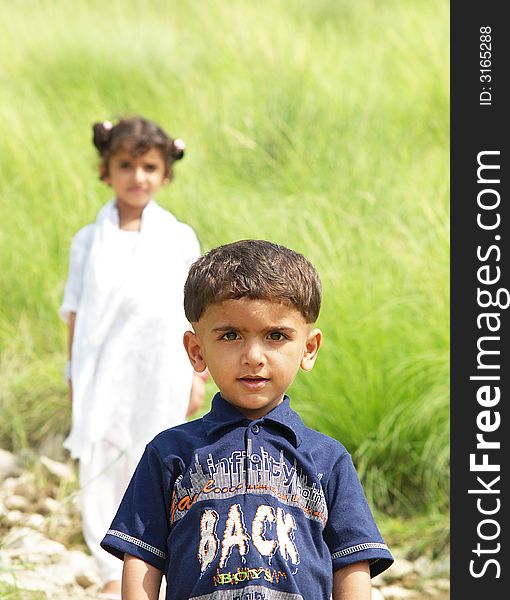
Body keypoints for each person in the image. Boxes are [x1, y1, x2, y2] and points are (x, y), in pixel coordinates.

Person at [101, 239, 394, 599]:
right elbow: (142, 557)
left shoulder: (328, 459)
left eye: (276, 336)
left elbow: (351, 565)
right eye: (230, 335)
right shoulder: (170, 453)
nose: (253, 356)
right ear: (197, 351)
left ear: (309, 348)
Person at [59, 116, 207, 598]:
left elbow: (192, 309)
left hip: (159, 363)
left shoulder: (179, 237)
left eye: (148, 166)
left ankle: (155, 560)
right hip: (103, 364)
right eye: (126, 165)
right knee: (104, 446)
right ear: (106, 170)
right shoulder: (89, 240)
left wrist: (195, 373)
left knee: (156, 448)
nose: (137, 177)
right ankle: (108, 565)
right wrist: (72, 372)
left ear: (165, 174)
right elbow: (76, 311)